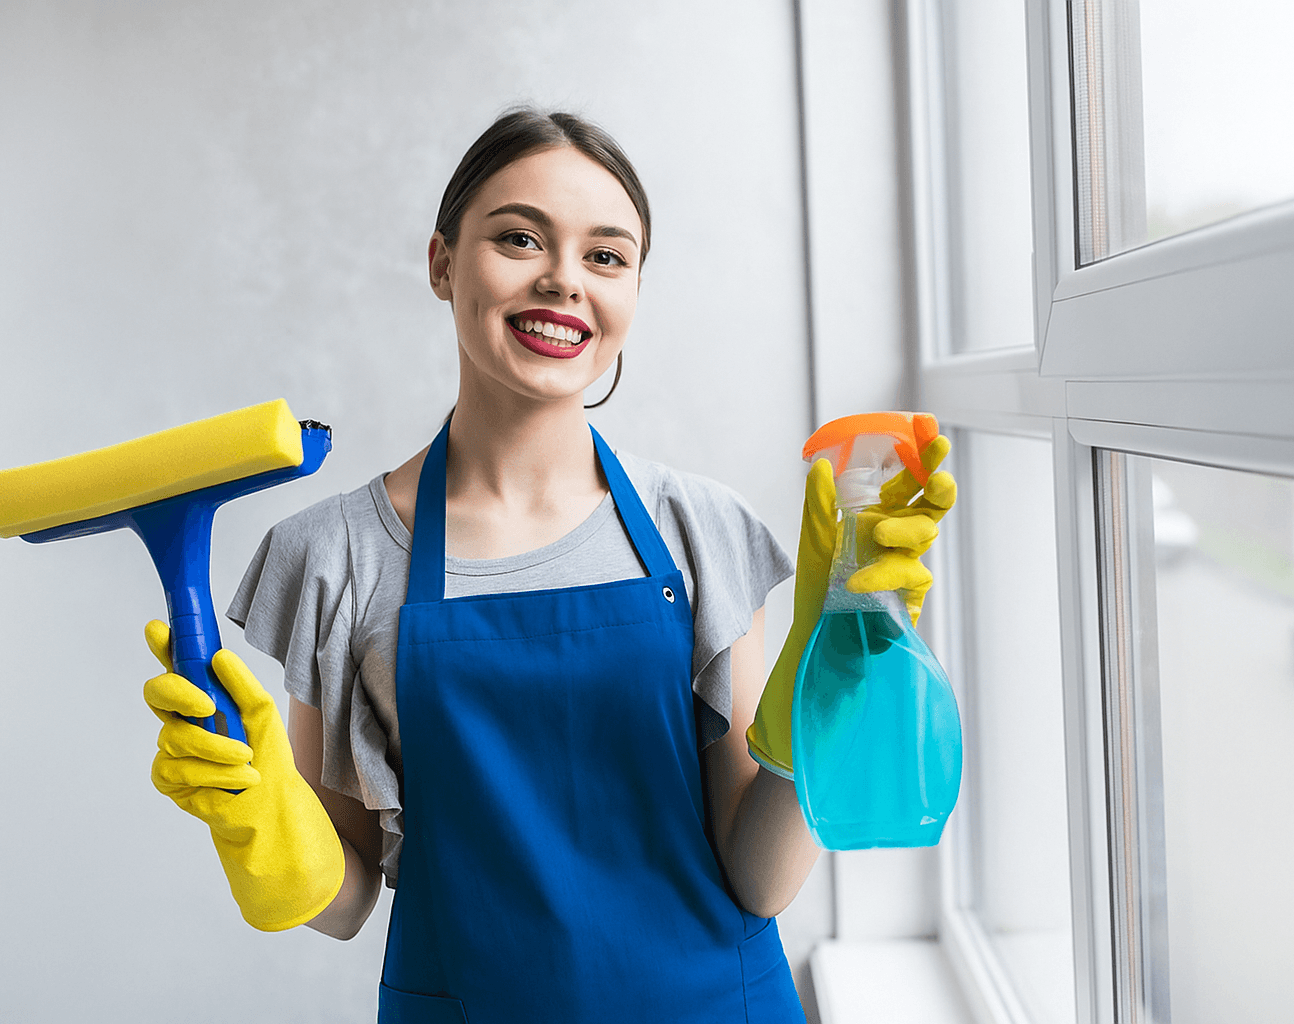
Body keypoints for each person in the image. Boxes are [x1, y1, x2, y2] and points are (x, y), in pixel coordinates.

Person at [141, 108, 954, 1024]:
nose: (564, 279)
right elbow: (347, 897)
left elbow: (760, 880)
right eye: (520, 238)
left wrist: (827, 670)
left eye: (606, 256)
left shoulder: (700, 529)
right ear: (444, 262)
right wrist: (258, 822)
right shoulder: (337, 557)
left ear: (633, 291)